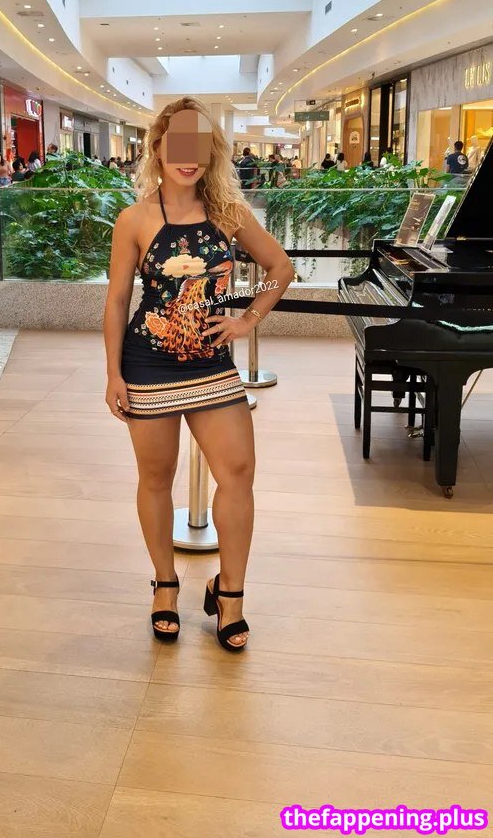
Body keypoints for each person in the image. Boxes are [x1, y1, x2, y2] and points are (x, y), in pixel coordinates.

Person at [104, 96, 294, 651]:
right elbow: (117, 301)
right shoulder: (134, 220)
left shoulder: (230, 213)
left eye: (200, 146)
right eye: (178, 146)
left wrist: (247, 319)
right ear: (158, 148)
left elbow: (280, 268)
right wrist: (113, 374)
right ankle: (165, 586)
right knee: (155, 477)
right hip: (148, 364)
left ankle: (228, 593)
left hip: (212, 365)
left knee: (238, 472)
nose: (188, 159)